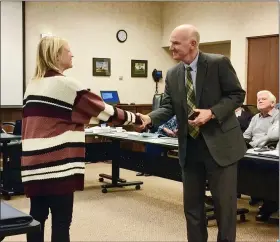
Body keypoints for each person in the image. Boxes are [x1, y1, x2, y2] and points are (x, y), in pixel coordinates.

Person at [21, 36, 141, 242]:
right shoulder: (66, 85)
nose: (72, 54)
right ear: (56, 55)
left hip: (34, 165)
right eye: (68, 50)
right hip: (57, 166)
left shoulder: (33, 85)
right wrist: (137, 118)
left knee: (37, 219)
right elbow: (104, 111)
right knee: (61, 221)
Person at [137, 24, 246, 242]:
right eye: (171, 42)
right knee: (192, 208)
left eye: (175, 43)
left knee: (224, 208)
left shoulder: (218, 63)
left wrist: (212, 113)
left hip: (221, 146)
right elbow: (168, 106)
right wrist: (150, 118)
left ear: (193, 44)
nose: (171, 47)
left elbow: (237, 95)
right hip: (190, 147)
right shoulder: (173, 73)